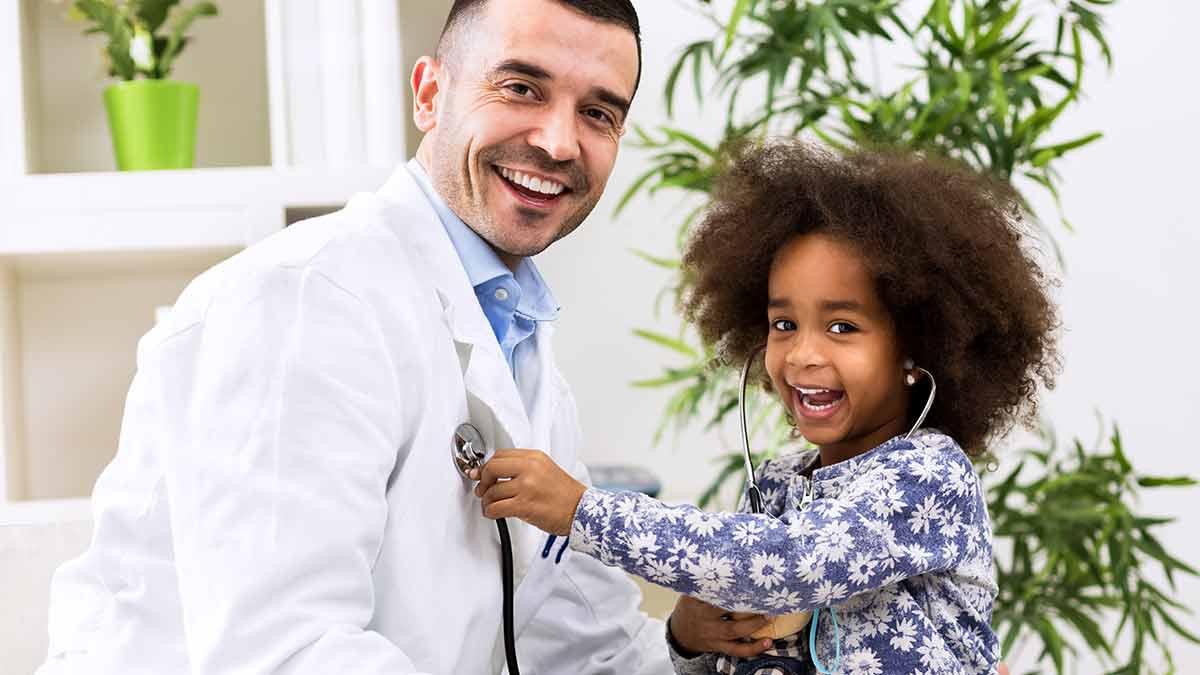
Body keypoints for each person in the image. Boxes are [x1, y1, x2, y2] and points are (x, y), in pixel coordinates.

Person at [37, 1, 679, 672]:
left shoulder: (519, 344)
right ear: (430, 95)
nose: (558, 142)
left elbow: (570, 634)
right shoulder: (304, 300)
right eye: (521, 88)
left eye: (598, 113)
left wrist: (692, 643)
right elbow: (288, 651)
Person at [469, 139, 1060, 674]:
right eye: (784, 323)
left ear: (917, 347)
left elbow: (787, 563)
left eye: (842, 325)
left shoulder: (929, 475)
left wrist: (580, 510)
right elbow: (741, 646)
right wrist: (690, 640)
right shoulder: (775, 486)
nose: (802, 353)